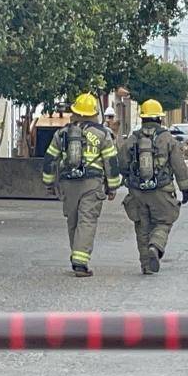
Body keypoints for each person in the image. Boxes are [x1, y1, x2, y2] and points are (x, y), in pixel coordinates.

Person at [42, 93, 122, 277]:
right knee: (87, 220)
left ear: (75, 111)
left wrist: (48, 183)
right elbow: (111, 161)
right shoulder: (102, 134)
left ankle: (77, 255)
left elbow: (50, 159)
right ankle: (80, 260)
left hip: (68, 184)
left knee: (73, 220)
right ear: (94, 113)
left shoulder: (61, 133)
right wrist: (112, 187)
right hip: (92, 184)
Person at [119, 99, 188, 275]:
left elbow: (121, 163)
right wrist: (185, 188)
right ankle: (156, 245)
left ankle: (146, 265)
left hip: (137, 191)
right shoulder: (167, 139)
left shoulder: (132, 139)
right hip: (161, 189)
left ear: (142, 117)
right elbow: (179, 165)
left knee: (142, 227)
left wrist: (128, 179)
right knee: (164, 221)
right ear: (160, 118)